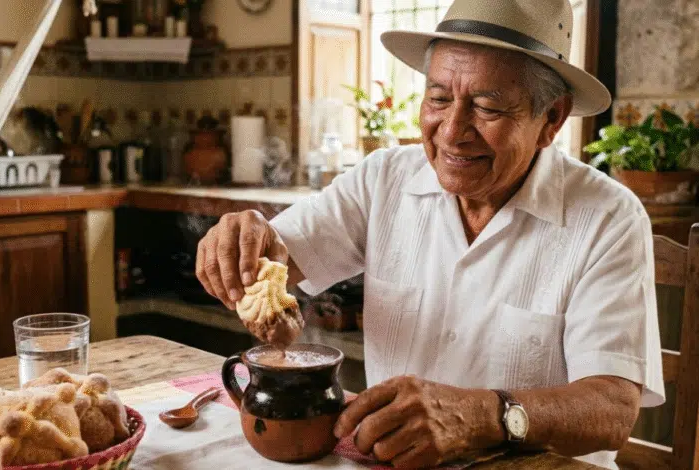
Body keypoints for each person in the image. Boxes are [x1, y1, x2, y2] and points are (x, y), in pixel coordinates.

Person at [195, 0, 664, 468]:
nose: (453, 131)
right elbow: (279, 256)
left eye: (487, 106)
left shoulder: (607, 216)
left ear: (552, 120)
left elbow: (611, 409)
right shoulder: (384, 178)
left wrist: (483, 416)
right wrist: (245, 240)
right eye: (438, 98)